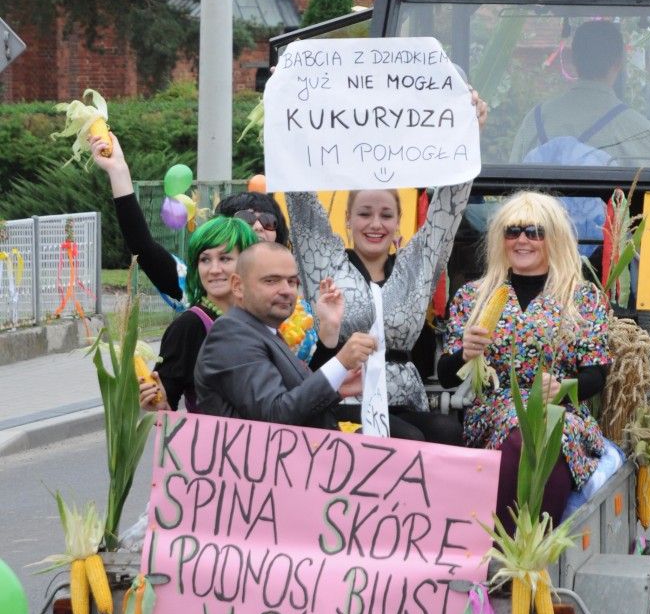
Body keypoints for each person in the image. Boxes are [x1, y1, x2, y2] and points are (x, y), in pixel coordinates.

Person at [285, 92, 489, 443]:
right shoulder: (328, 262)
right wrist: (289, 107)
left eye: (386, 215)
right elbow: (300, 198)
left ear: (398, 224)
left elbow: (447, 210)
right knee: (410, 441)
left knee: (449, 433)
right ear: (348, 220)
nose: (375, 224)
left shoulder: (414, 266)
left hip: (403, 398)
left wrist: (468, 134)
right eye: (365, 214)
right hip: (346, 396)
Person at [438, 191, 613, 527]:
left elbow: (596, 374)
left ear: (554, 238)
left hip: (560, 410)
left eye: (535, 232)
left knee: (549, 433)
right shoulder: (473, 296)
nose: (522, 240)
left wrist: (562, 388)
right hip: (494, 410)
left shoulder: (582, 297)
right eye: (512, 231)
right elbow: (446, 375)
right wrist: (465, 353)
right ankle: (507, 542)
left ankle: (537, 545)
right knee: (520, 433)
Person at [194, 242, 423, 437]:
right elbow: (275, 415)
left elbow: (293, 400)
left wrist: (338, 387)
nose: (286, 290)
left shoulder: (261, 329)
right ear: (238, 286)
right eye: (271, 281)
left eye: (292, 282)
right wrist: (340, 363)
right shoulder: (231, 333)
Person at [88, 131, 290, 307]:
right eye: (245, 218)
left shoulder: (292, 293)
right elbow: (143, 248)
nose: (258, 226)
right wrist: (118, 171)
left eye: (268, 221)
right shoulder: (200, 285)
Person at [510, 19, 650, 168]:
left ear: (574, 60)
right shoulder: (636, 128)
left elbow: (511, 179)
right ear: (619, 63)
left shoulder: (535, 120)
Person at [145, 215, 260, 411]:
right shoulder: (189, 326)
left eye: (224, 258)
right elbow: (164, 407)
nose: (214, 270)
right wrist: (157, 402)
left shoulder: (261, 316)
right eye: (205, 259)